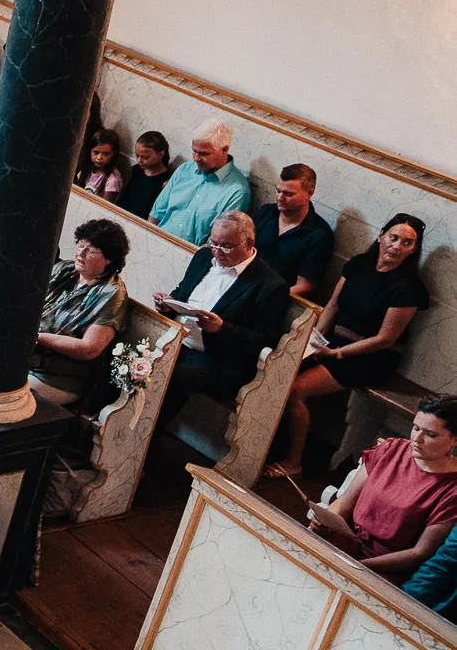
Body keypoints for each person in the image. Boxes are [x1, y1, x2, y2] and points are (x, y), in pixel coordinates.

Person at [268, 214, 430, 480]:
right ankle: (269, 443)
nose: (397, 246)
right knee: (279, 370)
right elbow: (332, 306)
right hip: (336, 342)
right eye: (394, 237)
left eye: (407, 243)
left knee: (296, 391)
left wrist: (336, 353)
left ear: (414, 249)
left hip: (370, 357)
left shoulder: (408, 288)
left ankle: (294, 461)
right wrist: (313, 341)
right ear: (381, 235)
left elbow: (385, 339)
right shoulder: (359, 264)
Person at [154, 211, 290, 420]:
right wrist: (168, 304)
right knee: (134, 357)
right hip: (177, 340)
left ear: (249, 243)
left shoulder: (270, 285)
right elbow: (183, 292)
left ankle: (143, 440)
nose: (217, 252)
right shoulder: (203, 256)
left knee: (169, 378)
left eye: (226, 246)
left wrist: (221, 328)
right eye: (213, 242)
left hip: (217, 359)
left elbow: (263, 341)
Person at [305, 398, 457, 579]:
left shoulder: (452, 488)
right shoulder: (390, 449)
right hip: (342, 540)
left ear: (455, 439)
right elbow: (344, 503)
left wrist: (359, 566)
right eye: (416, 428)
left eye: (431, 435)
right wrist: (326, 522)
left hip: (382, 566)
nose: (417, 439)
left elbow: (420, 553)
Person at [31, 220, 130, 406]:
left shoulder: (112, 294)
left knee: (3, 390)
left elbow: (89, 349)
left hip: (59, 377)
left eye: (91, 250)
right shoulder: (64, 270)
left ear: (109, 259)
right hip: (25, 358)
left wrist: (37, 337)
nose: (81, 253)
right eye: (80, 245)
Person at [148, 119, 252, 244]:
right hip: (156, 239)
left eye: (203, 153)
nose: (196, 158)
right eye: (194, 151)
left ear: (224, 150)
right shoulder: (185, 169)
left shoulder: (237, 191)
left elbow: (215, 244)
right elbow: (156, 215)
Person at [251, 164, 335, 302]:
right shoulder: (266, 212)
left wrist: (268, 296)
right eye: (278, 191)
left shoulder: (319, 234)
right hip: (245, 283)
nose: (280, 197)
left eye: (288, 194)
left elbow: (305, 285)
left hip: (275, 298)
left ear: (309, 193)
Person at [121, 130, 176, 220]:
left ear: (161, 154)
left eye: (145, 157)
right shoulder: (135, 170)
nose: (139, 160)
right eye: (137, 156)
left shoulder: (166, 181)